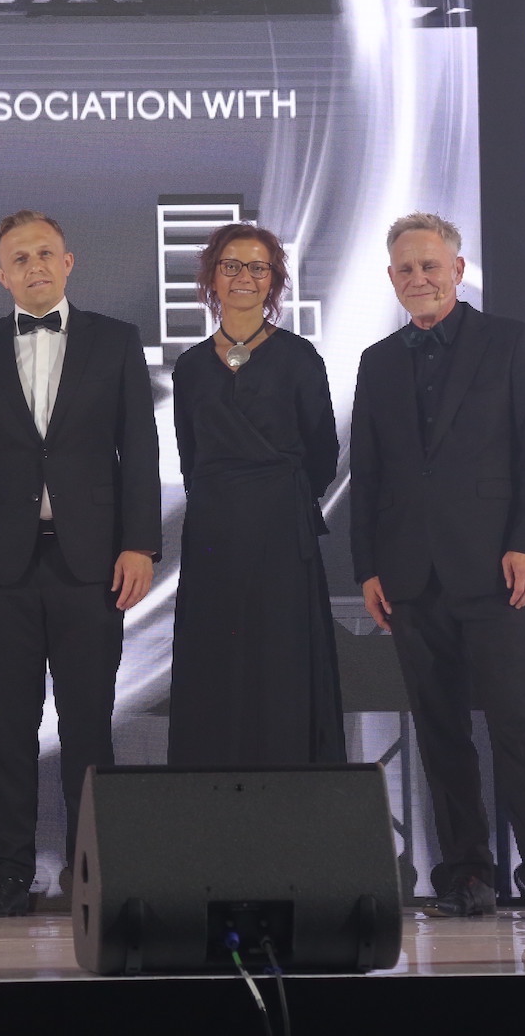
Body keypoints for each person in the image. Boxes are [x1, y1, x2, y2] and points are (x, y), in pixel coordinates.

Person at [349, 211, 525, 920]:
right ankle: (467, 875)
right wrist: (368, 568)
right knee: (440, 731)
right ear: (392, 279)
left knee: (515, 723)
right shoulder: (377, 361)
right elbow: (368, 473)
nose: (418, 277)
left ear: (456, 269)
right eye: (406, 269)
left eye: (430, 265)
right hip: (410, 575)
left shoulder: (508, 343)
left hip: (496, 567)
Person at [0, 209, 162, 918]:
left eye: (44, 253)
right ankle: (9, 876)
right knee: (7, 725)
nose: (33, 265)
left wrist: (141, 543)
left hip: (91, 564)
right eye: (19, 258)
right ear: (1, 276)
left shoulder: (115, 341)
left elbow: (139, 448)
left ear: (68, 262)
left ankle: (96, 874)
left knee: (89, 723)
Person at [167, 224, 344, 766]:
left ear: (273, 281)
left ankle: (290, 796)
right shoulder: (190, 366)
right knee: (214, 660)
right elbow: (191, 456)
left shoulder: (299, 357)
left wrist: (275, 495)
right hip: (214, 533)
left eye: (257, 267)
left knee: (282, 661)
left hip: (281, 530)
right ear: (211, 278)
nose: (244, 277)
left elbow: (322, 452)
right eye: (231, 265)